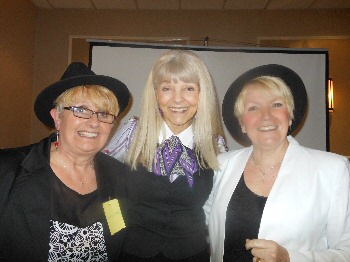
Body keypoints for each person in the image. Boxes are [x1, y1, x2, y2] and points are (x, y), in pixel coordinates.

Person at [205, 64, 350, 262]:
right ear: (242, 123)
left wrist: (290, 259)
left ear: (290, 116)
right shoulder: (221, 166)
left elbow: (346, 251)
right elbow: (191, 221)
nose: (266, 116)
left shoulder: (333, 170)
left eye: (276, 105)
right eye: (253, 108)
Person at [104, 49, 227, 261]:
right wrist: (116, 231)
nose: (178, 99)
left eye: (189, 88)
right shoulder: (133, 133)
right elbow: (102, 182)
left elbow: (217, 205)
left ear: (202, 94)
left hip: (191, 254)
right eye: (167, 88)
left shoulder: (215, 145)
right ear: (156, 94)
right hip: (131, 253)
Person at [0, 62, 131, 261]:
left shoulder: (120, 176)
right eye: (81, 110)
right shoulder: (7, 170)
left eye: (103, 113)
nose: (94, 122)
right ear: (57, 118)